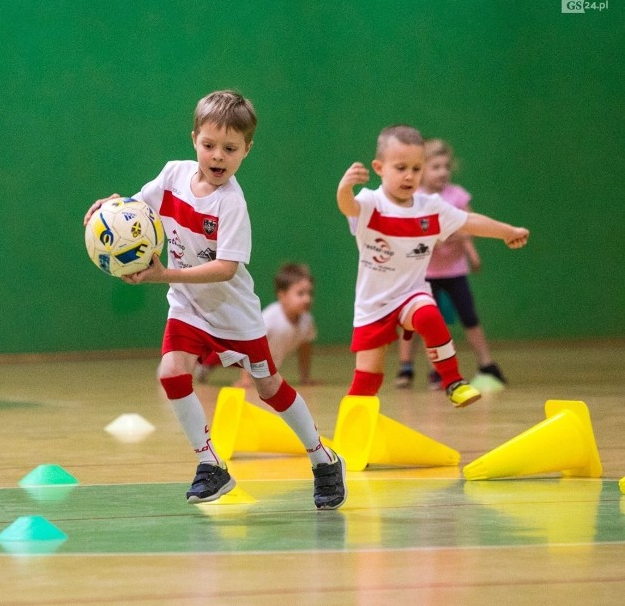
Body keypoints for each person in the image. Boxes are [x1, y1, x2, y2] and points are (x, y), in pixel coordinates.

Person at [83, 90, 346, 509]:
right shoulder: (171, 176)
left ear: (247, 150)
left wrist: (163, 273)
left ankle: (323, 458)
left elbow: (225, 268)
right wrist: (107, 209)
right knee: (171, 372)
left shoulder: (231, 203)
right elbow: (134, 211)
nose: (218, 156)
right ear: (194, 139)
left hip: (233, 314)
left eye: (230, 148)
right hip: (188, 307)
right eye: (209, 145)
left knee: (269, 388)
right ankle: (210, 465)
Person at [336, 125, 529, 408]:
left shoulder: (431, 207)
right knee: (366, 379)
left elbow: (469, 221)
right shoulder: (370, 202)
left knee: (428, 315)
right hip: (373, 305)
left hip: (411, 294)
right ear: (379, 167)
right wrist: (344, 187)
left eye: (416, 168)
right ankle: (351, 433)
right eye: (400, 167)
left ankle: (453, 382)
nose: (409, 175)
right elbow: (348, 207)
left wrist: (507, 231)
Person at [395, 139, 507, 390]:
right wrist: (445, 235)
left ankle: (486, 364)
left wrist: (472, 252)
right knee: (428, 323)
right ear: (422, 169)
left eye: (446, 166)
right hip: (427, 274)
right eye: (436, 167)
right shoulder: (419, 199)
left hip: (455, 270)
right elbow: (425, 235)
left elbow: (468, 224)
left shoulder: (457, 195)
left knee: (469, 316)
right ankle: (432, 370)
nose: (443, 172)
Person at [196, 263, 318, 387]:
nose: (307, 299)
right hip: (241, 345)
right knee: (221, 352)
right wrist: (246, 378)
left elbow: (304, 347)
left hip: (261, 360)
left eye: (310, 293)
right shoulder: (271, 319)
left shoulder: (307, 322)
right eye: (300, 294)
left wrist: (305, 378)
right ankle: (205, 362)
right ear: (282, 296)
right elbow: (249, 346)